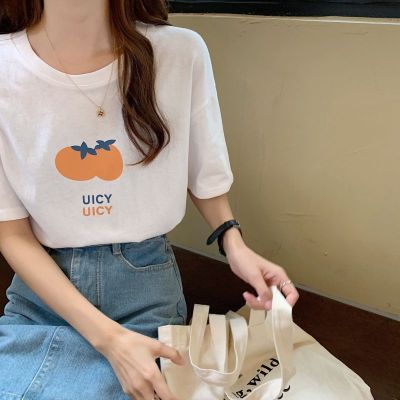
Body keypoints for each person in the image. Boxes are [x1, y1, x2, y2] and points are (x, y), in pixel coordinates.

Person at [0, 1, 300, 399]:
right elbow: (12, 233)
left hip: (144, 290)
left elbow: (203, 169)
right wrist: (111, 341)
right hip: (44, 297)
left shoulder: (180, 53)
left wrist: (234, 244)